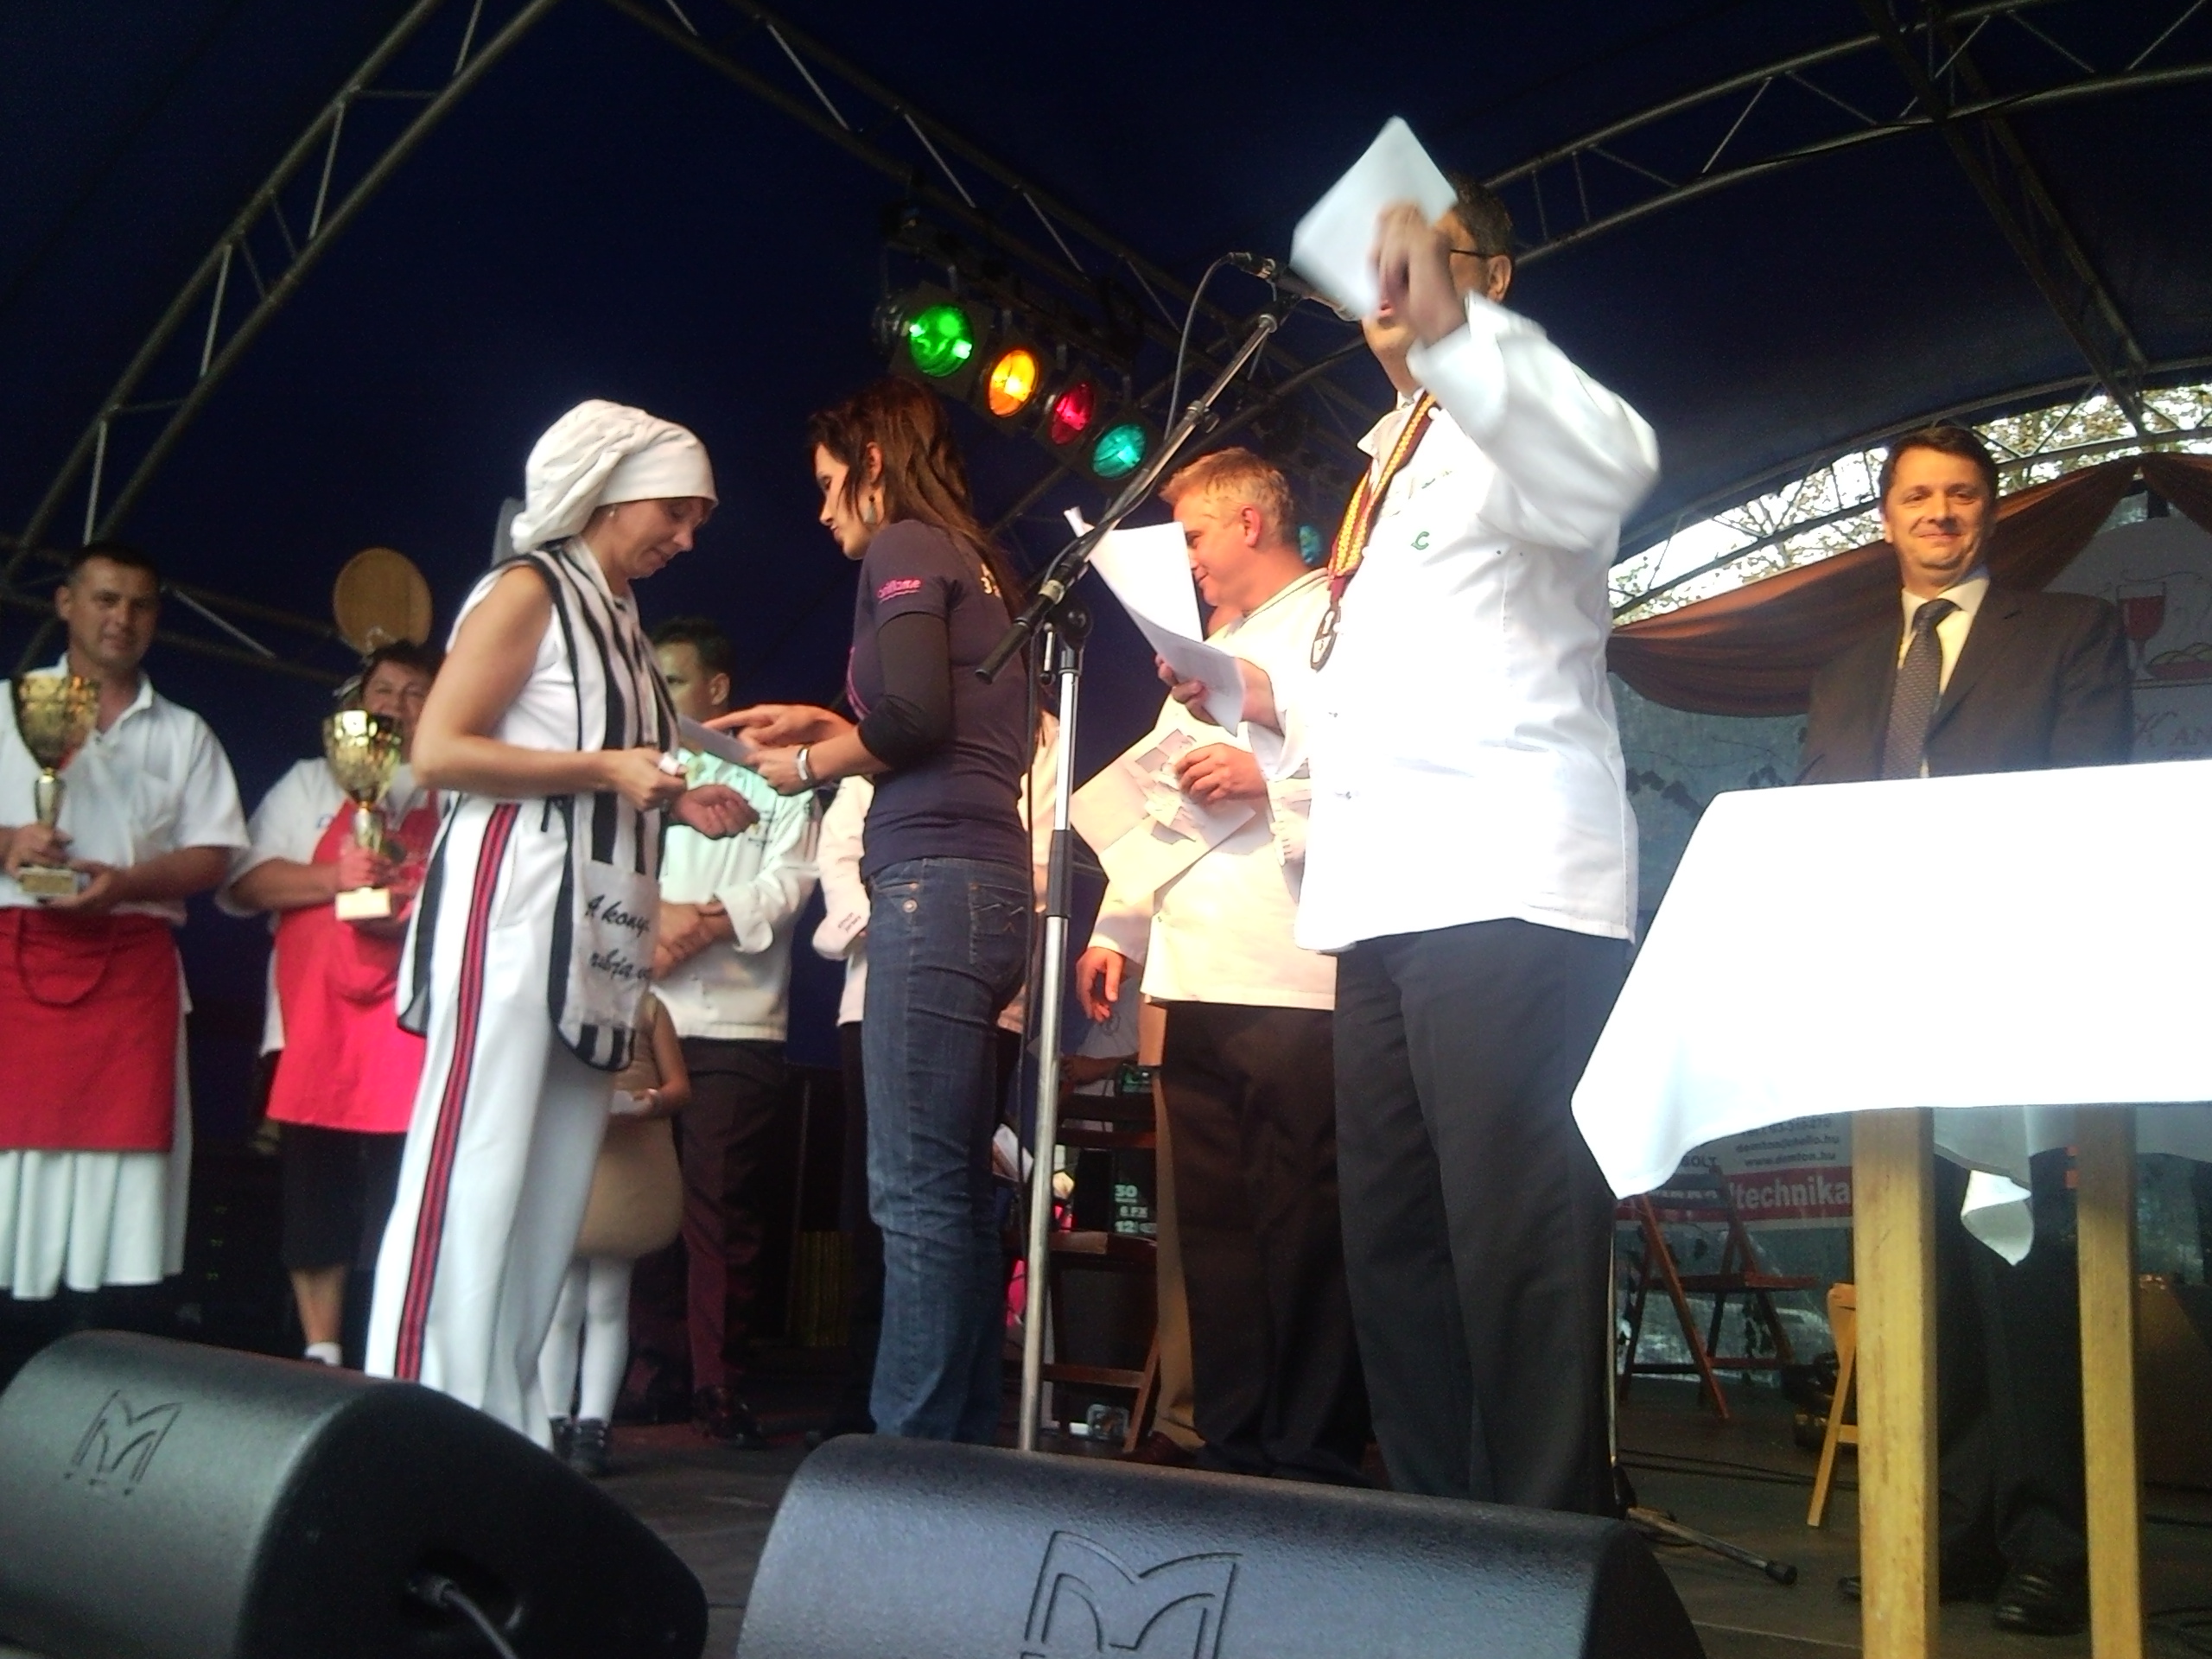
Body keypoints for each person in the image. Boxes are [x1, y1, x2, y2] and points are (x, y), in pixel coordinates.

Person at [1168, 178, 1657, 1513]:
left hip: (1505, 879)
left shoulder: (1516, 417)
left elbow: (1607, 460)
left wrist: (1459, 335)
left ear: (1489, 279)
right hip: (1378, 896)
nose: (1385, 290)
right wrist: (1261, 696)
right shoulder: (1385, 459)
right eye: (1375, 273)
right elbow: (1382, 678)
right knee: (1394, 1248)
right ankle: (1438, 1544)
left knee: (1514, 1241)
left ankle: (1543, 1553)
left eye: (1420, 264)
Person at [365, 399, 754, 1442]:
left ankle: (503, 1417)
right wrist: (608, 771)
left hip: (594, 929)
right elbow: (440, 751)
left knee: (550, 1181)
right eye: (676, 511)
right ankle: (409, 1415)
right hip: (510, 905)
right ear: (613, 495)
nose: (687, 537)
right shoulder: (526, 588)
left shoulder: (617, 615)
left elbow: (616, 754)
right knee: (474, 1151)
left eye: (697, 518)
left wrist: (679, 795)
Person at [1805, 424, 2130, 1637]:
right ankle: (1944, 1530)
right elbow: (1817, 825)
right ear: (1886, 518)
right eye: (1917, 497)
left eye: (1960, 494)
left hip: (2015, 990)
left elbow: (2092, 801)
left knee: (2021, 1267)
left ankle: (2050, 1545)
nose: (1938, 513)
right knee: (1919, 1266)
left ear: (1992, 511)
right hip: (1885, 1000)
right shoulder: (1846, 670)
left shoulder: (2069, 630)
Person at [714, 377, 1032, 1442]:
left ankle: (908, 1463)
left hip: (933, 888)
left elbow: (912, 720)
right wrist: (827, 725)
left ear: (875, 463)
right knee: (955, 1195)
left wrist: (804, 766)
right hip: (988, 888)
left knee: (915, 1194)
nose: (820, 511)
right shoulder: (979, 560)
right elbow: (941, 718)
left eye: (826, 483)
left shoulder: (903, 543)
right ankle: (956, 1456)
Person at [1074, 448, 1364, 1483]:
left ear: (1250, 521)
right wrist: (1117, 929)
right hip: (1191, 969)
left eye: (1194, 535)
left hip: (1292, 968)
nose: (1188, 560)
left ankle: (1313, 1448)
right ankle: (1231, 1439)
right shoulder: (1208, 652)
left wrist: (1267, 777)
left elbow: (1382, 762)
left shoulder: (1337, 616)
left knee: (1304, 1220)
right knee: (1216, 1230)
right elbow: (1162, 800)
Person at [0, 543, 247, 1305]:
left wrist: (129, 884)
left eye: (139, 604)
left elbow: (213, 855)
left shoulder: (184, 732)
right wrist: (8, 844)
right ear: (65, 603)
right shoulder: (7, 705)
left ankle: (98, 1333)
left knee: (125, 1167)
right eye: (105, 599)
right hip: (14, 955)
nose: (122, 618)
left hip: (130, 963)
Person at [220, 640, 443, 1366]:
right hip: (315, 1024)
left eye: (417, 693)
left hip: (414, 1022)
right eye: (385, 691)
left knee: (404, 1192)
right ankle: (321, 1349)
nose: (398, 707)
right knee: (315, 1189)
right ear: (357, 701)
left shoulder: (456, 793)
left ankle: (392, 1348)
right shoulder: (309, 782)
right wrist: (336, 879)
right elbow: (245, 885)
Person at [630, 615, 819, 1448]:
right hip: (647, 1016)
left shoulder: (777, 775)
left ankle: (718, 1382)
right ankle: (649, 1373)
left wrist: (699, 922)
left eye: (672, 680)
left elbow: (792, 883)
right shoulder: (639, 776)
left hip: (738, 1022)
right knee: (645, 1205)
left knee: (718, 1208)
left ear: (715, 688)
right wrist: (652, 923)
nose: (660, 695)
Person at [541, 991, 690, 1477]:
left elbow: (680, 1088)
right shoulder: (557, 1001)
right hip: (569, 1157)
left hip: (629, 1164)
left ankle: (594, 1423)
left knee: (607, 1299)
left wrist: (650, 1102)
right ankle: (554, 1416)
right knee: (562, 1302)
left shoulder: (648, 1008)